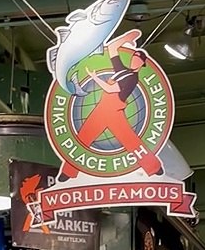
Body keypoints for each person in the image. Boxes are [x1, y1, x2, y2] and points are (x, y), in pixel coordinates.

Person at [59, 31, 162, 181]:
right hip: (102, 109)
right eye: (134, 57)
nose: (134, 60)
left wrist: (95, 78)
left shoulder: (132, 78)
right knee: (83, 138)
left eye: (138, 59)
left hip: (114, 111)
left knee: (131, 141)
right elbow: (113, 48)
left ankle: (154, 167)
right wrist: (128, 38)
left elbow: (111, 89)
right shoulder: (122, 70)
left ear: (142, 64)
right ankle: (68, 172)